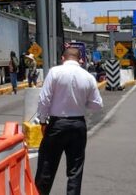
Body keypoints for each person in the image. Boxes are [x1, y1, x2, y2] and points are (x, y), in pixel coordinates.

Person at [33, 47, 103, 195]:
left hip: (57, 125)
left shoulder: (54, 72)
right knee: (75, 171)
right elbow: (97, 105)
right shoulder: (88, 77)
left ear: (63, 58)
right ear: (80, 60)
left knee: (47, 167)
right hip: (78, 125)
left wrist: (43, 121)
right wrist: (81, 103)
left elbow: (44, 99)